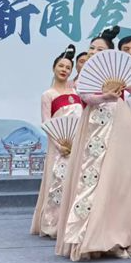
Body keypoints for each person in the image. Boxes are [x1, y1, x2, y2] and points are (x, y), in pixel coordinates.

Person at [55, 28, 131, 261]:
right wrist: (105, 97)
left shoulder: (122, 77)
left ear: (110, 54)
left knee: (118, 183)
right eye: (92, 48)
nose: (94, 52)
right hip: (93, 126)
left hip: (121, 125)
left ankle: (116, 239)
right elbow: (86, 97)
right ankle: (86, 237)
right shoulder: (85, 76)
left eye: (100, 49)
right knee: (90, 180)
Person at [30, 45, 83, 238]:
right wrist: (60, 144)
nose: (64, 70)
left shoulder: (76, 91)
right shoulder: (48, 94)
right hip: (59, 145)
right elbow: (46, 122)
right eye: (61, 66)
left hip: (77, 143)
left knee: (76, 184)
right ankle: (52, 224)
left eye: (68, 67)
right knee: (58, 183)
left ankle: (72, 224)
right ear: (54, 68)